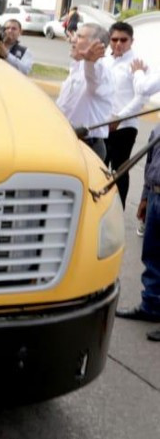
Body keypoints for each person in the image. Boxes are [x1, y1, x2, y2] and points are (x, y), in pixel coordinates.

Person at [116, 125, 160, 339]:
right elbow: (150, 163)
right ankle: (150, 306)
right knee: (151, 255)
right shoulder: (158, 128)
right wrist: (144, 198)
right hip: (155, 195)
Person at [103, 22, 150, 209]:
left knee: (120, 170)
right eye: (114, 39)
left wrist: (119, 117)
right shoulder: (104, 61)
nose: (118, 44)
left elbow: (142, 97)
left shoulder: (137, 64)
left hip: (125, 126)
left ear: (131, 41)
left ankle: (118, 210)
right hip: (101, 125)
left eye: (123, 40)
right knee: (98, 167)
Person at [56, 22, 113, 159]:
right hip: (67, 142)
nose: (73, 39)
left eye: (80, 37)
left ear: (96, 45)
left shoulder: (99, 71)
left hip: (87, 148)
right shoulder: (77, 67)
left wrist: (90, 62)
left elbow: (93, 79)